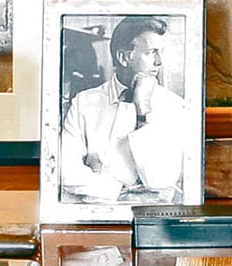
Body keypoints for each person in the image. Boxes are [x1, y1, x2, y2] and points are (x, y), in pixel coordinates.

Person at [57, 16, 191, 204]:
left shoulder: (174, 106)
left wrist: (142, 110)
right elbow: (64, 171)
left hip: (151, 221)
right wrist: (117, 192)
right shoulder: (84, 102)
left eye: (161, 53)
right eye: (151, 52)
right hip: (95, 218)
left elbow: (160, 180)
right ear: (123, 57)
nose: (159, 62)